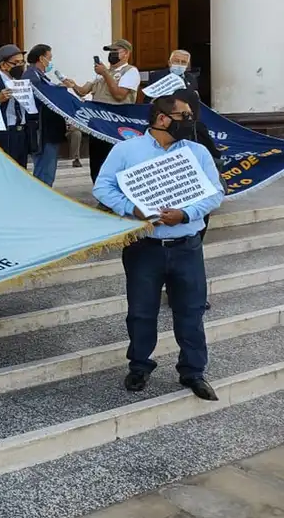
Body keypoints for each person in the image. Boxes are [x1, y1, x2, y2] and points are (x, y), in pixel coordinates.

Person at [93, 93, 223, 401]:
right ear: (163, 119)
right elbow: (103, 186)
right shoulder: (126, 150)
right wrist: (131, 208)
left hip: (187, 246)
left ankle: (193, 371)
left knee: (190, 311)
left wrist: (186, 214)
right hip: (144, 247)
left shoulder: (198, 152)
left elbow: (215, 193)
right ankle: (139, 366)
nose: (191, 121)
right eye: (185, 116)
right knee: (141, 311)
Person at [63, 39, 141, 182]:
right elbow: (83, 92)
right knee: (97, 161)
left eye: (115, 51)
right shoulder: (101, 73)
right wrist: (73, 85)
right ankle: (99, 191)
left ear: (126, 53)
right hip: (98, 124)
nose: (111, 54)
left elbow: (119, 95)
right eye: (110, 51)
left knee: (113, 161)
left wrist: (106, 73)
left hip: (116, 125)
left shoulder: (130, 71)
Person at [23, 44, 69, 186]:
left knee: (48, 169)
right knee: (44, 172)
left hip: (50, 130)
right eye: (49, 58)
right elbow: (42, 98)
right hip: (42, 131)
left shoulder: (41, 76)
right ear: (41, 58)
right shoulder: (32, 76)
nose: (50, 62)